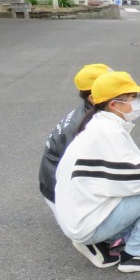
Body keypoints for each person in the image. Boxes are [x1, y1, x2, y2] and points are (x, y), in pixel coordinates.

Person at [54, 70, 140, 273]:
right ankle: (134, 255)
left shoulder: (97, 125)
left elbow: (125, 176)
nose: (138, 102)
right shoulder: (108, 131)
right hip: (87, 223)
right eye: (133, 97)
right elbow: (138, 180)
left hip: (80, 217)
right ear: (114, 104)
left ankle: (106, 241)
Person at [38, 63, 111, 212]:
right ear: (93, 97)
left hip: (54, 183)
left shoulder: (90, 113)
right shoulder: (88, 126)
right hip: (61, 191)